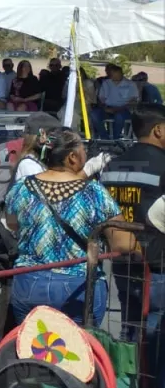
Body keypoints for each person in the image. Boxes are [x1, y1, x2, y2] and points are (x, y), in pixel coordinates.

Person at [3, 127, 134, 326]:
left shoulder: (20, 188)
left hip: (29, 283)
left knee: (35, 348)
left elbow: (12, 225)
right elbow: (123, 244)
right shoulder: (94, 192)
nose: (86, 154)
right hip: (79, 286)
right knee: (77, 350)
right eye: (83, 150)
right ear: (72, 157)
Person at [100, 106, 165, 384]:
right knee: (156, 333)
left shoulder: (113, 166)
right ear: (159, 129)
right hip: (158, 266)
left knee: (130, 326)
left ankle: (128, 377)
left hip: (123, 261)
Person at [95, 64, 140, 139]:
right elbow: (101, 98)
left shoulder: (130, 84)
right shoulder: (106, 83)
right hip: (108, 108)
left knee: (119, 116)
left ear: (121, 74)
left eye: (116, 75)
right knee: (94, 114)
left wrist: (119, 108)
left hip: (124, 109)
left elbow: (134, 101)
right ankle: (105, 138)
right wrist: (105, 107)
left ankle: (116, 139)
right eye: (112, 75)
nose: (114, 77)